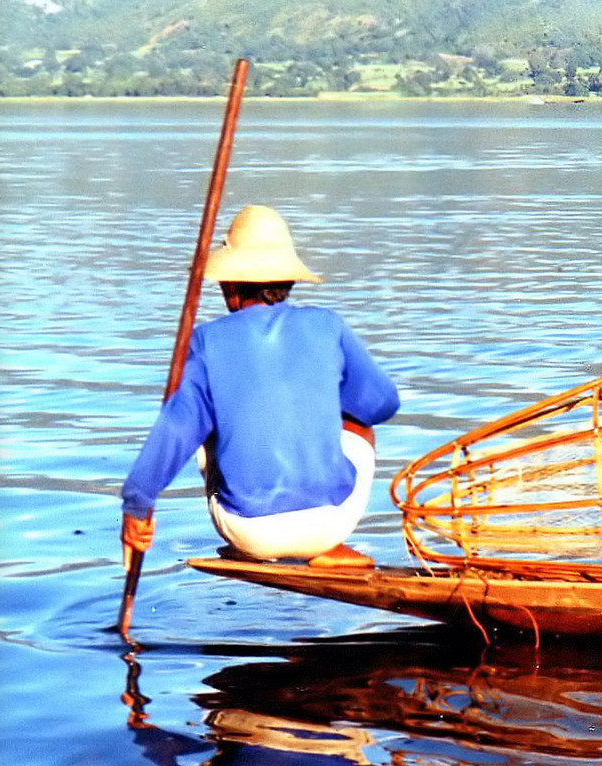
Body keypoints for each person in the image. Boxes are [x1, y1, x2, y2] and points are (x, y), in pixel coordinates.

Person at [120, 205, 401, 572]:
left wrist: (136, 506)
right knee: (358, 424)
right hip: (333, 520)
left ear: (232, 285)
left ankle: (258, 547)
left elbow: (175, 430)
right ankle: (328, 547)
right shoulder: (327, 325)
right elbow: (382, 403)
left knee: (207, 423)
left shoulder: (206, 341)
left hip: (248, 529)